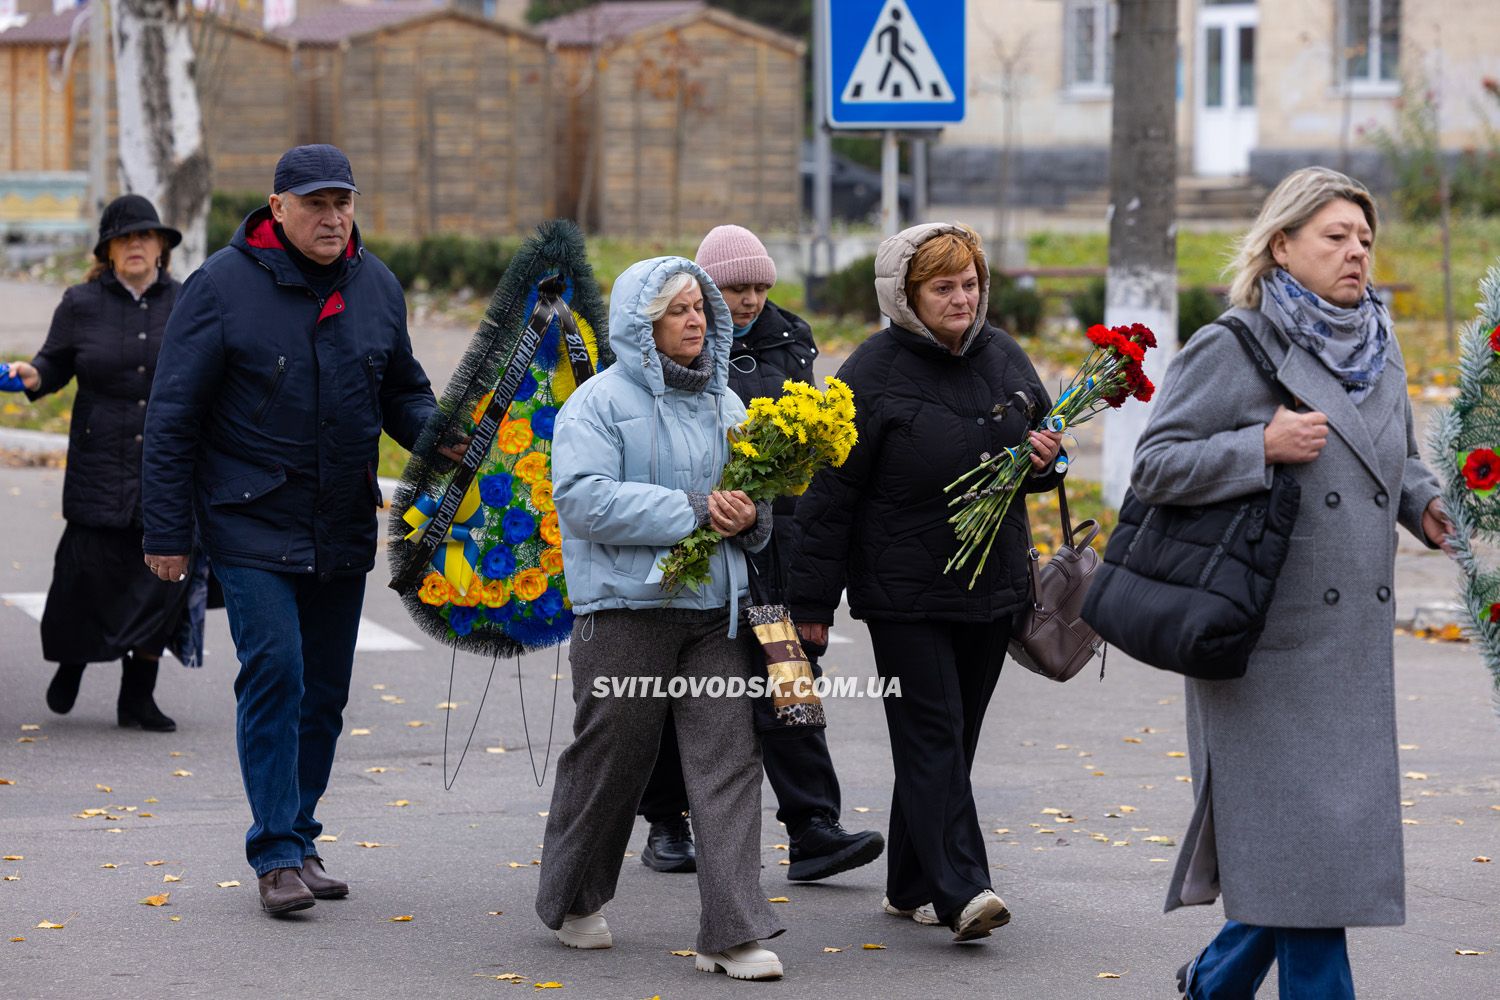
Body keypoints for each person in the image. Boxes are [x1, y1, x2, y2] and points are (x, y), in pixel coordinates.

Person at [1129, 167, 1450, 999]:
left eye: (1365, 240)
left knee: (1304, 866)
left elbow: (1394, 460)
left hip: (1347, 658)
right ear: (1282, 245)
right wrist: (1257, 447)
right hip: (1264, 653)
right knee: (1312, 874)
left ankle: (1213, 980)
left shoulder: (1379, 347)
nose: (1356, 254)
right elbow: (1155, 466)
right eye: (1335, 237)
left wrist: (1428, 508)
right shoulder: (1234, 344)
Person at [140, 145, 455, 916]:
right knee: (276, 671)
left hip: (341, 519)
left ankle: (303, 835)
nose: (332, 215)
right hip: (249, 517)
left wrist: (443, 436)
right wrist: (166, 530)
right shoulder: (220, 287)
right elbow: (173, 417)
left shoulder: (375, 284)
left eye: (342, 200)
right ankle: (275, 851)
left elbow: (402, 393)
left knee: (324, 693)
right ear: (276, 207)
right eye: (315, 203)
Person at [787, 223, 1064, 942]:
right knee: (931, 732)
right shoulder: (870, 374)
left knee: (953, 740)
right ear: (905, 296)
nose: (962, 299)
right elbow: (828, 497)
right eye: (943, 287)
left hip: (993, 583)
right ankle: (963, 890)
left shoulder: (1003, 356)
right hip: (903, 592)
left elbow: (1045, 446)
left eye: (970, 284)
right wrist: (811, 605)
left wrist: (1046, 462)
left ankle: (910, 881)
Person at [536, 256, 785, 981]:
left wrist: (749, 517)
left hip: (713, 613)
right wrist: (692, 513)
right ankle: (575, 899)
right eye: (678, 310)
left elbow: (754, 502)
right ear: (641, 324)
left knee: (729, 760)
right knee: (614, 760)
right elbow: (582, 500)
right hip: (625, 612)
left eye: (700, 308)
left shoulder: (727, 404)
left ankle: (732, 933)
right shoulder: (598, 404)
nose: (696, 320)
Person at [629, 225, 885, 883]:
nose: (749, 300)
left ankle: (812, 828)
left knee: (790, 683)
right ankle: (667, 822)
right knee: (672, 687)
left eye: (760, 287)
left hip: (777, 546)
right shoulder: (673, 340)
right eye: (736, 287)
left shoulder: (792, 337)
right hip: (699, 538)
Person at [2, 195, 185, 732]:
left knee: (162, 584)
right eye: (124, 237)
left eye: (145, 236)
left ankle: (138, 696)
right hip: (99, 459)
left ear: (161, 248)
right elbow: (52, 363)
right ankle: (73, 662)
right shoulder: (81, 302)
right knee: (84, 577)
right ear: (107, 250)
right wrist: (29, 374)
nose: (134, 244)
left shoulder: (186, 301)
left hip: (165, 464)